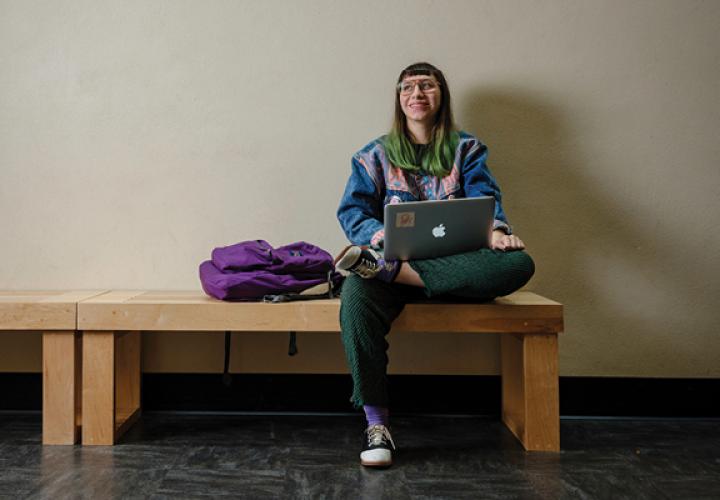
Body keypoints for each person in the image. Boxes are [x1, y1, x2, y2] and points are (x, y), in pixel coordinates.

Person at [335, 62, 535, 468]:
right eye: (407, 87)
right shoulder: (371, 155)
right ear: (398, 99)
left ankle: (399, 275)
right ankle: (377, 425)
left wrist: (497, 234)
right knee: (356, 294)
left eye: (427, 85)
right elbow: (353, 215)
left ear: (441, 95)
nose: (417, 93)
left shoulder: (468, 149)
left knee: (518, 264)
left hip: (453, 265)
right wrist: (384, 243)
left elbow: (486, 201)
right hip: (394, 264)